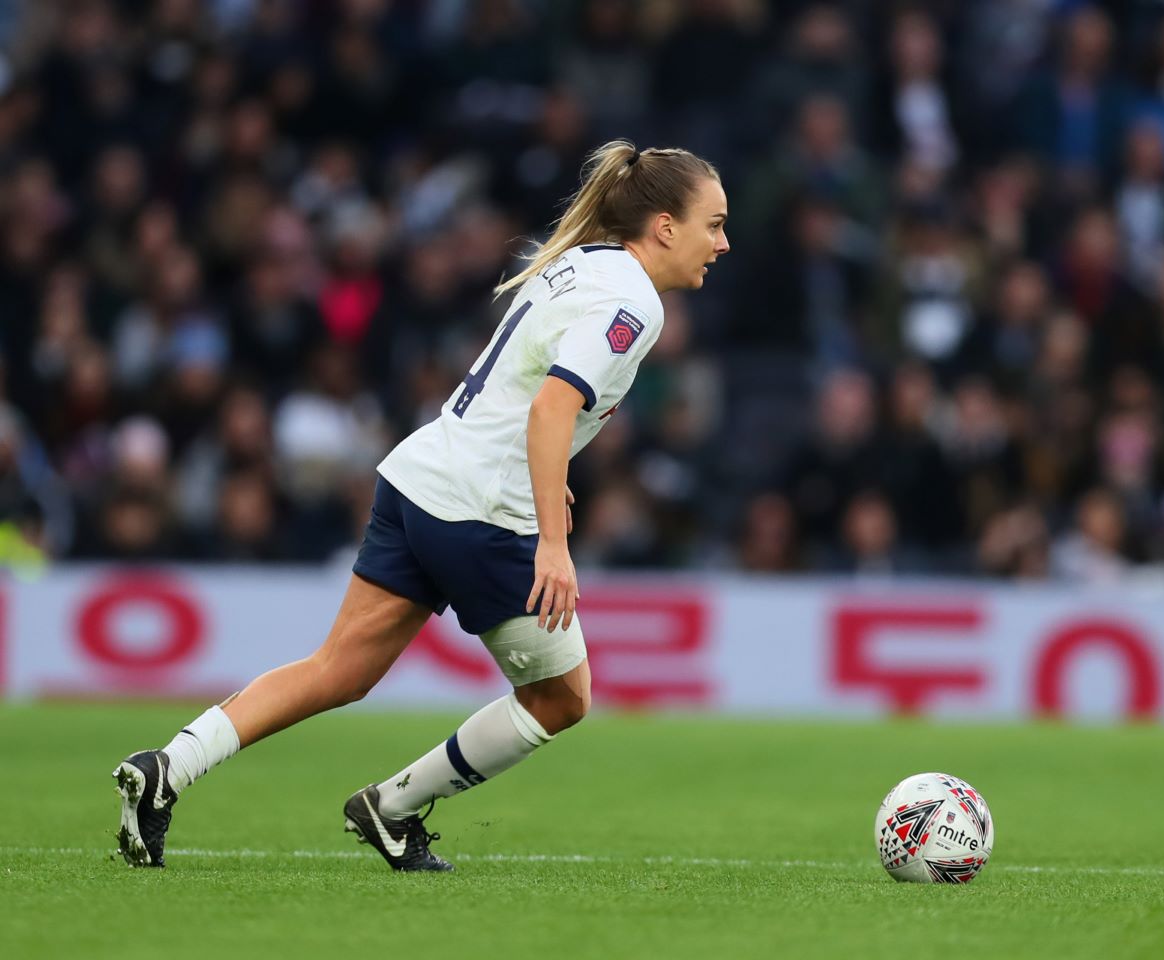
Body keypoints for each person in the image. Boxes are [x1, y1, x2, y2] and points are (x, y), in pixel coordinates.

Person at [112, 140, 730, 871]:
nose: (721, 243)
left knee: (339, 668)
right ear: (664, 225)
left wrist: (549, 467)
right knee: (562, 699)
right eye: (713, 223)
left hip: (422, 476)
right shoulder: (633, 301)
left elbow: (530, 393)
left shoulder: (582, 263)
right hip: (482, 509)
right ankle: (394, 806)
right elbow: (552, 407)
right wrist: (554, 543)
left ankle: (168, 769)